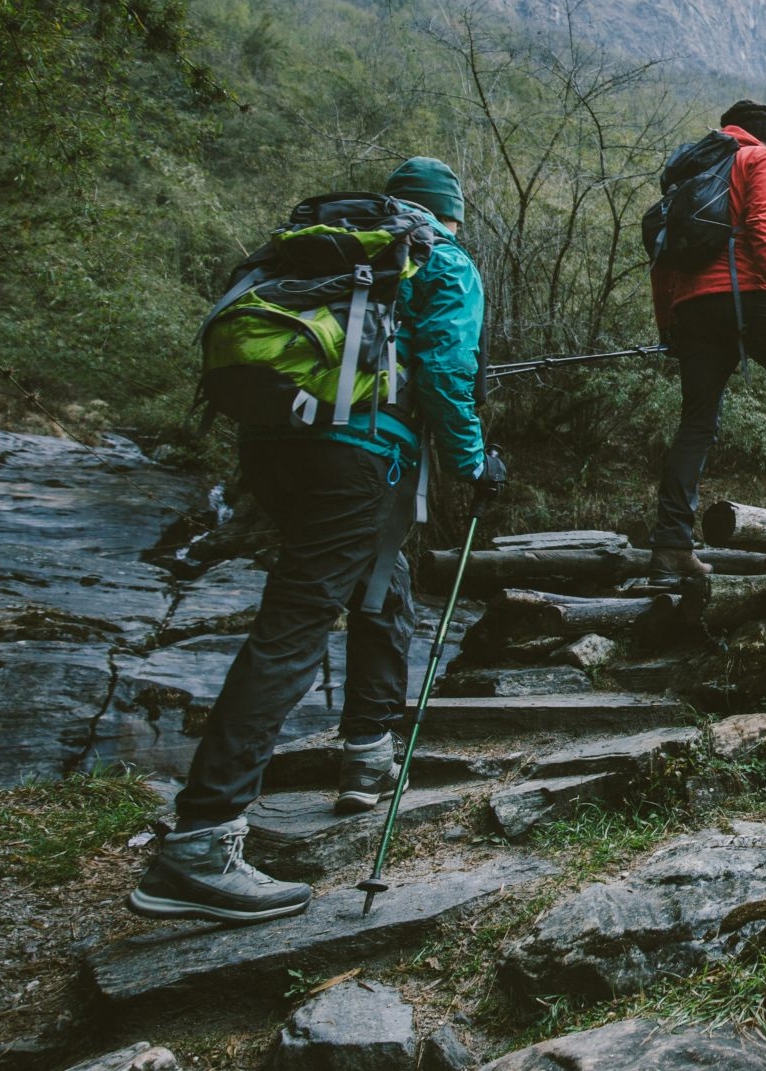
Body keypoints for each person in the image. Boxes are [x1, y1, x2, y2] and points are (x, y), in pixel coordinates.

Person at [130, 157, 503, 923]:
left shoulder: (329, 243)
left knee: (380, 575)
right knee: (295, 625)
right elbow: (444, 366)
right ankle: (199, 842)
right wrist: (473, 461)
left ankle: (366, 749)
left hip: (276, 443)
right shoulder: (443, 256)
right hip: (355, 453)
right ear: (447, 215)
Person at [648, 100, 766, 577]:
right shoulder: (762, 157)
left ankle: (671, 545)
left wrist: (668, 323)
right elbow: (764, 227)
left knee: (697, 421)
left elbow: (662, 257)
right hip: (750, 295)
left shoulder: (689, 172)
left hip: (691, 307)